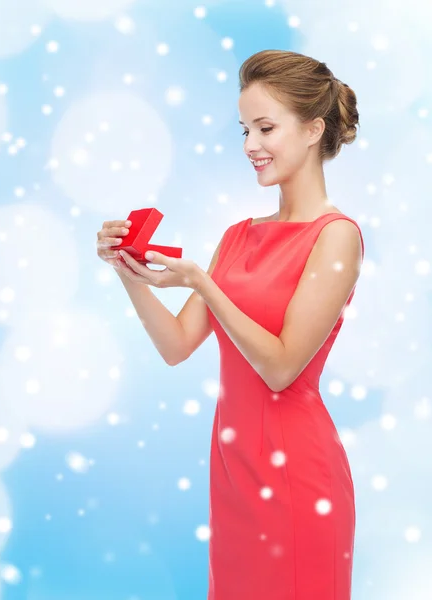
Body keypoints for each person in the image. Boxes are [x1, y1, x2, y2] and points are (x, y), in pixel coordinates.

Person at [96, 49, 364, 600]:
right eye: (245, 129)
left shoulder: (337, 236)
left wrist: (203, 282)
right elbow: (176, 346)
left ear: (314, 129)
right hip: (235, 472)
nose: (250, 146)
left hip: (299, 477)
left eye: (265, 128)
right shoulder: (238, 235)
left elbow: (282, 367)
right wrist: (127, 272)